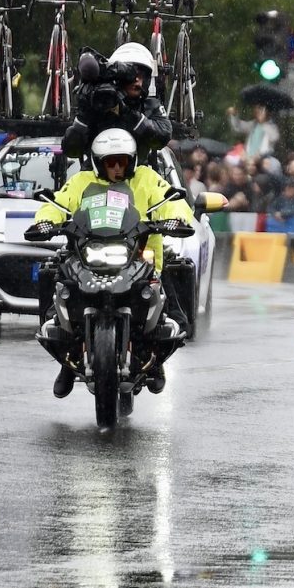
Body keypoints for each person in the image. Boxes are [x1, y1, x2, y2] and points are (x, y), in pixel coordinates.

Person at [29, 129, 195, 398]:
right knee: (58, 301)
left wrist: (176, 218)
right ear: (98, 162)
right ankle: (67, 365)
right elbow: (58, 203)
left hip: (139, 257)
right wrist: (46, 220)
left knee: (175, 318)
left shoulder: (147, 178)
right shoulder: (81, 181)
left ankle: (156, 361)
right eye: (110, 162)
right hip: (87, 257)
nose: (117, 167)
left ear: (131, 160)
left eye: (122, 161)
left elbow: (172, 200)